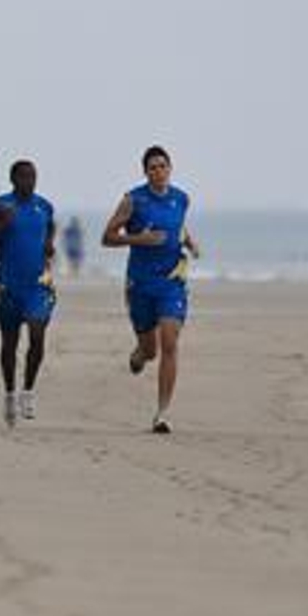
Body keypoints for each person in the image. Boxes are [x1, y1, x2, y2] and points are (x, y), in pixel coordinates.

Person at [103, 145, 198, 434]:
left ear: (170, 168)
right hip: (140, 284)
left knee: (170, 342)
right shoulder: (133, 200)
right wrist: (139, 239)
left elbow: (178, 227)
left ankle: (162, 413)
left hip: (172, 282)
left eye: (163, 166)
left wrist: (189, 242)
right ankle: (140, 353)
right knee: (151, 350)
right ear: (145, 172)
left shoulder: (181, 198)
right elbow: (107, 237)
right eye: (153, 167)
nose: (159, 171)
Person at [0, 160, 57, 426]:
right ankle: (10, 393)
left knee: (37, 333)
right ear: (12, 179)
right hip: (9, 286)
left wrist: (48, 244)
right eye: (23, 177)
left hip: (38, 285)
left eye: (33, 176)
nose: (29, 181)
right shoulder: (0, 205)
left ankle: (28, 390)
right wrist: (1, 224)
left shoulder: (44, 206)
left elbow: (50, 227)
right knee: (9, 344)